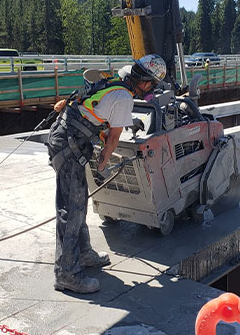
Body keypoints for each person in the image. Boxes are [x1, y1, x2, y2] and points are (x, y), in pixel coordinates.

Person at [46, 54, 166, 294]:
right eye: (152, 85)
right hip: (68, 144)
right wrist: (103, 166)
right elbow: (113, 138)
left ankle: (83, 253)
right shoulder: (123, 97)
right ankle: (67, 273)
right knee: (71, 210)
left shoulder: (116, 82)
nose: (151, 89)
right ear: (146, 83)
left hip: (69, 139)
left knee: (78, 202)